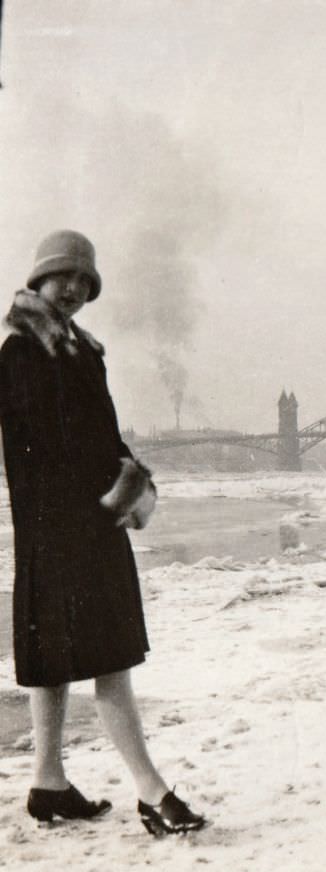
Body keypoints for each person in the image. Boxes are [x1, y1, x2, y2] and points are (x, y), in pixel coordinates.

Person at [0, 230, 204, 836]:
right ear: (38, 280)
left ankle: (47, 782)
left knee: (61, 656)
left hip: (85, 520)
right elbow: (39, 448)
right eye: (63, 278)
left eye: (84, 283)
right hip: (63, 525)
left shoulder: (82, 351)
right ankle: (150, 790)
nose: (73, 290)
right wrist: (103, 492)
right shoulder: (20, 352)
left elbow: (99, 434)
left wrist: (128, 481)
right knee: (108, 656)